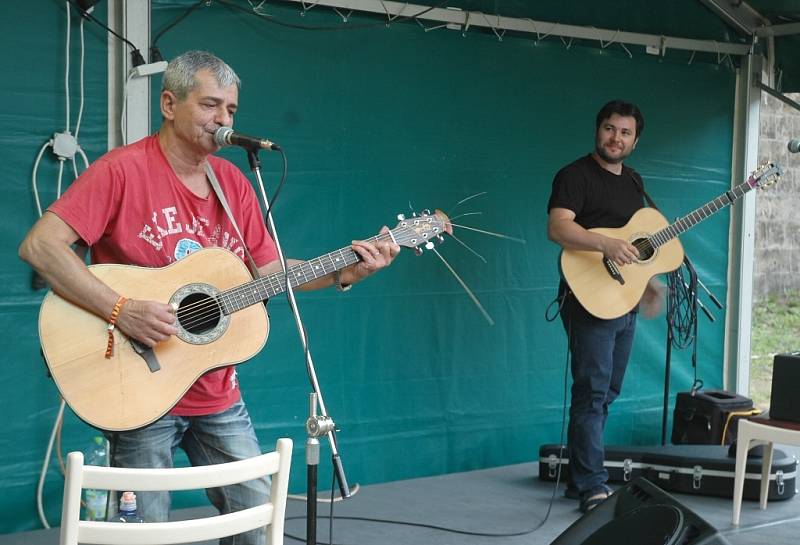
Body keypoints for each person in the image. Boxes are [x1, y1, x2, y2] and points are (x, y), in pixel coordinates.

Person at [19, 51, 399, 543]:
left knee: (258, 521)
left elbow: (269, 272)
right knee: (142, 534)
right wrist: (123, 310)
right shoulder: (121, 171)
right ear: (170, 103)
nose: (223, 120)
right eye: (211, 105)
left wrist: (345, 271)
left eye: (232, 111)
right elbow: (40, 246)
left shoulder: (235, 184)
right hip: (138, 388)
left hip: (214, 391)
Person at [546, 100, 663, 513]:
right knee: (592, 393)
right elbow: (558, 227)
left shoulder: (634, 182)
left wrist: (647, 282)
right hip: (587, 298)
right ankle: (593, 485)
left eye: (625, 132)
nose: (616, 138)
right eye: (610, 129)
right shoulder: (574, 176)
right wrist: (604, 243)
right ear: (598, 130)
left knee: (606, 392)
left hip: (622, 299)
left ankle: (582, 478)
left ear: (635, 140)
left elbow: (634, 242)